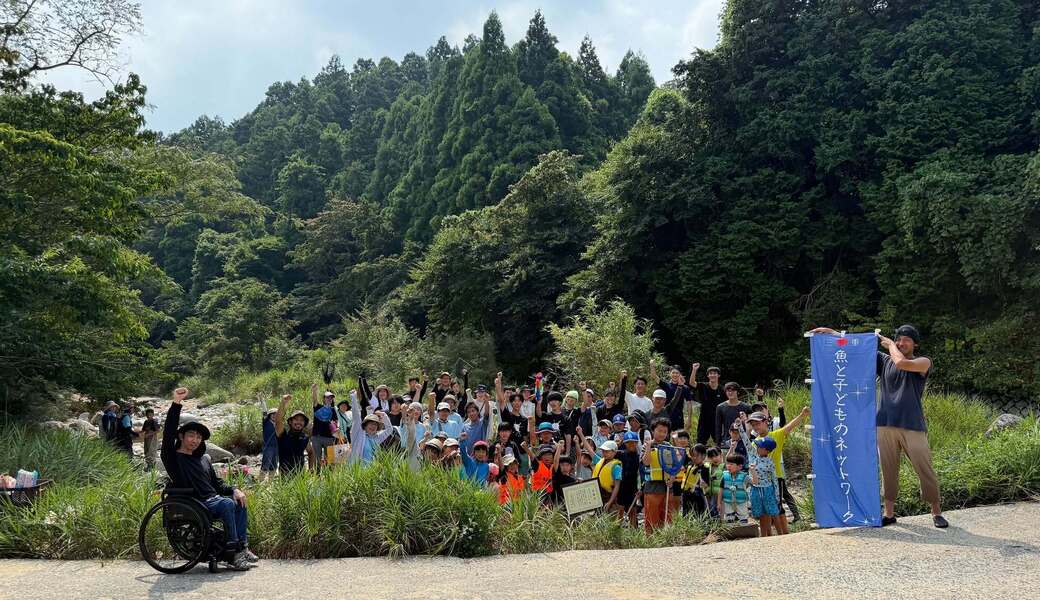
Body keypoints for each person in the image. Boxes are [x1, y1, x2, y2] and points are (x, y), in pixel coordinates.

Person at [810, 325, 947, 528]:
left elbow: (901, 363)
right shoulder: (884, 361)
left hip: (912, 425)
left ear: (915, 344)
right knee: (888, 470)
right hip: (884, 423)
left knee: (924, 468)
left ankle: (936, 511)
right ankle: (889, 513)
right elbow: (856, 349)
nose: (901, 343)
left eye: (906, 340)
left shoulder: (923, 362)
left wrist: (891, 345)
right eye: (898, 339)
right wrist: (835, 335)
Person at [161, 387, 256, 571]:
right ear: (181, 436)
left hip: (213, 500)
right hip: (195, 502)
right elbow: (167, 435)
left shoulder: (203, 459)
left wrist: (235, 489)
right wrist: (176, 403)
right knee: (227, 504)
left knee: (238, 500)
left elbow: (217, 484)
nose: (195, 440)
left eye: (198, 437)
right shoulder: (173, 458)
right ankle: (233, 553)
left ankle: (242, 547)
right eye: (191, 435)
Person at [743, 406, 810, 531]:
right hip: (760, 481)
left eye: (758, 423)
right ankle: (767, 537)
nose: (756, 427)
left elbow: (789, 427)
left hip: (776, 477)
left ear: (765, 422)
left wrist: (802, 415)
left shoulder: (776, 435)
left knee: (777, 507)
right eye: (753, 424)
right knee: (764, 509)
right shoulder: (754, 442)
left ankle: (784, 534)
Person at [641, 418, 680, 532]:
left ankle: (665, 540)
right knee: (651, 516)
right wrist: (648, 447)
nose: (662, 433)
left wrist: (672, 479)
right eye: (659, 430)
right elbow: (646, 462)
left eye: (665, 431)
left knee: (667, 516)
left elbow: (675, 466)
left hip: (667, 486)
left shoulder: (669, 447)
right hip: (652, 486)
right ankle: (650, 541)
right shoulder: (647, 445)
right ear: (653, 431)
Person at [349, 390, 394, 464]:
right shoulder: (358, 434)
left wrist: (384, 415)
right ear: (365, 425)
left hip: (370, 471)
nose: (373, 426)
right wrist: (354, 398)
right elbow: (356, 417)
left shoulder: (377, 437)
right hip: (357, 471)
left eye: (375, 424)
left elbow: (389, 429)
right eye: (371, 423)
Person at [274, 394, 314, 475]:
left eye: (302, 420)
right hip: (285, 476)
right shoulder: (282, 435)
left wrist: (311, 469)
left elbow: (311, 452)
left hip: (300, 477)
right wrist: (283, 403)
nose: (299, 422)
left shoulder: (304, 437)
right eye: (296, 419)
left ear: (304, 423)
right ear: (290, 422)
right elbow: (278, 421)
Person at [748, 437, 780, 537]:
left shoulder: (770, 462)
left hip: (767, 489)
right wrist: (740, 427)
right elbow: (747, 444)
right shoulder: (753, 456)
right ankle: (764, 536)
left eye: (759, 447)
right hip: (756, 488)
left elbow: (774, 479)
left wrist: (777, 495)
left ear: (766, 450)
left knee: (773, 511)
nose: (757, 448)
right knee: (761, 513)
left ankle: (781, 535)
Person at [690, 364, 725, 445]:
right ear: (708, 375)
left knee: (719, 444)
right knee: (700, 443)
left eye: (715, 373)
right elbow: (692, 383)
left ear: (718, 375)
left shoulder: (722, 389)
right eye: (710, 373)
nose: (712, 375)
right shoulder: (703, 386)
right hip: (704, 420)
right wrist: (694, 370)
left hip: (717, 420)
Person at [617, 431, 643, 527]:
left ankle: (634, 533)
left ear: (637, 443)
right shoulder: (620, 454)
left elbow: (640, 474)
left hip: (633, 487)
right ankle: (616, 531)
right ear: (625, 443)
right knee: (620, 509)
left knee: (633, 511)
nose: (631, 444)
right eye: (628, 442)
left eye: (634, 442)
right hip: (621, 486)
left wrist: (640, 489)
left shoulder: (639, 457)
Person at [714, 382, 751, 449]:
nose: (730, 393)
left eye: (733, 390)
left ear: (738, 392)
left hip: (743, 439)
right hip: (727, 440)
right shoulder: (720, 407)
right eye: (728, 391)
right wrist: (718, 444)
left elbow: (750, 425)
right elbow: (718, 427)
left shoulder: (746, 407)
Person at [658, 365, 694, 431]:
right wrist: (652, 366)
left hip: (679, 417)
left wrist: (689, 419)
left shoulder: (685, 388)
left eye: (677, 373)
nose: (675, 375)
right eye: (673, 373)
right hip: (666, 417)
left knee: (678, 439)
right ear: (669, 373)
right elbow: (654, 377)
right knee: (665, 438)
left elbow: (689, 403)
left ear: (680, 374)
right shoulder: (666, 385)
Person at [310, 385, 338, 467]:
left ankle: (328, 477)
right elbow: (314, 400)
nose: (329, 399)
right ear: (324, 399)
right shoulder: (318, 407)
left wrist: (338, 428)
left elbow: (336, 422)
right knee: (317, 459)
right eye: (327, 397)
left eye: (331, 398)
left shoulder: (333, 410)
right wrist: (314, 391)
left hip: (329, 437)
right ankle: (317, 477)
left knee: (329, 460)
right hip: (317, 436)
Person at [592, 440, 623, 513]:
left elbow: (617, 486)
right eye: (603, 451)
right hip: (597, 497)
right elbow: (590, 451)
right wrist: (581, 434)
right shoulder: (601, 461)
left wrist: (610, 502)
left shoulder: (616, 467)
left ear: (614, 452)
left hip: (608, 497)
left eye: (607, 451)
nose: (604, 453)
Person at [680, 443, 709, 516]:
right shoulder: (690, 465)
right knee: (686, 515)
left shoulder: (704, 468)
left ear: (703, 456)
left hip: (698, 497)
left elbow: (706, 484)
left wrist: (704, 484)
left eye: (696, 455)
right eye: (692, 455)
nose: (694, 458)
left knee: (698, 515)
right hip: (686, 495)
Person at [719, 454, 749, 524]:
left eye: (731, 464)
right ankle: (731, 531)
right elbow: (721, 490)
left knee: (743, 517)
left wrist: (753, 471)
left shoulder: (745, 477)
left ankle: (744, 530)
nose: (728, 466)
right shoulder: (724, 476)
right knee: (729, 518)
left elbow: (755, 483)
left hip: (741, 501)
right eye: (727, 464)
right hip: (728, 501)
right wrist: (719, 503)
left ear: (740, 466)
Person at [705, 447, 724, 517]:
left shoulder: (724, 467)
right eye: (711, 457)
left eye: (716, 456)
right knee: (709, 510)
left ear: (721, 455)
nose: (714, 459)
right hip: (709, 492)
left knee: (717, 510)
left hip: (719, 493)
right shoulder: (707, 467)